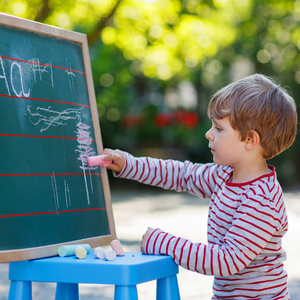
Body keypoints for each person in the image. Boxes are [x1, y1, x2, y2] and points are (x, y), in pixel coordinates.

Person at [101, 74, 297, 299]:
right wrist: (129, 164)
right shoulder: (223, 176)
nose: (209, 133)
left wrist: (166, 244)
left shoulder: (262, 199)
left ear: (250, 140)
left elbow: (226, 260)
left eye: (219, 128)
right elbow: (181, 174)